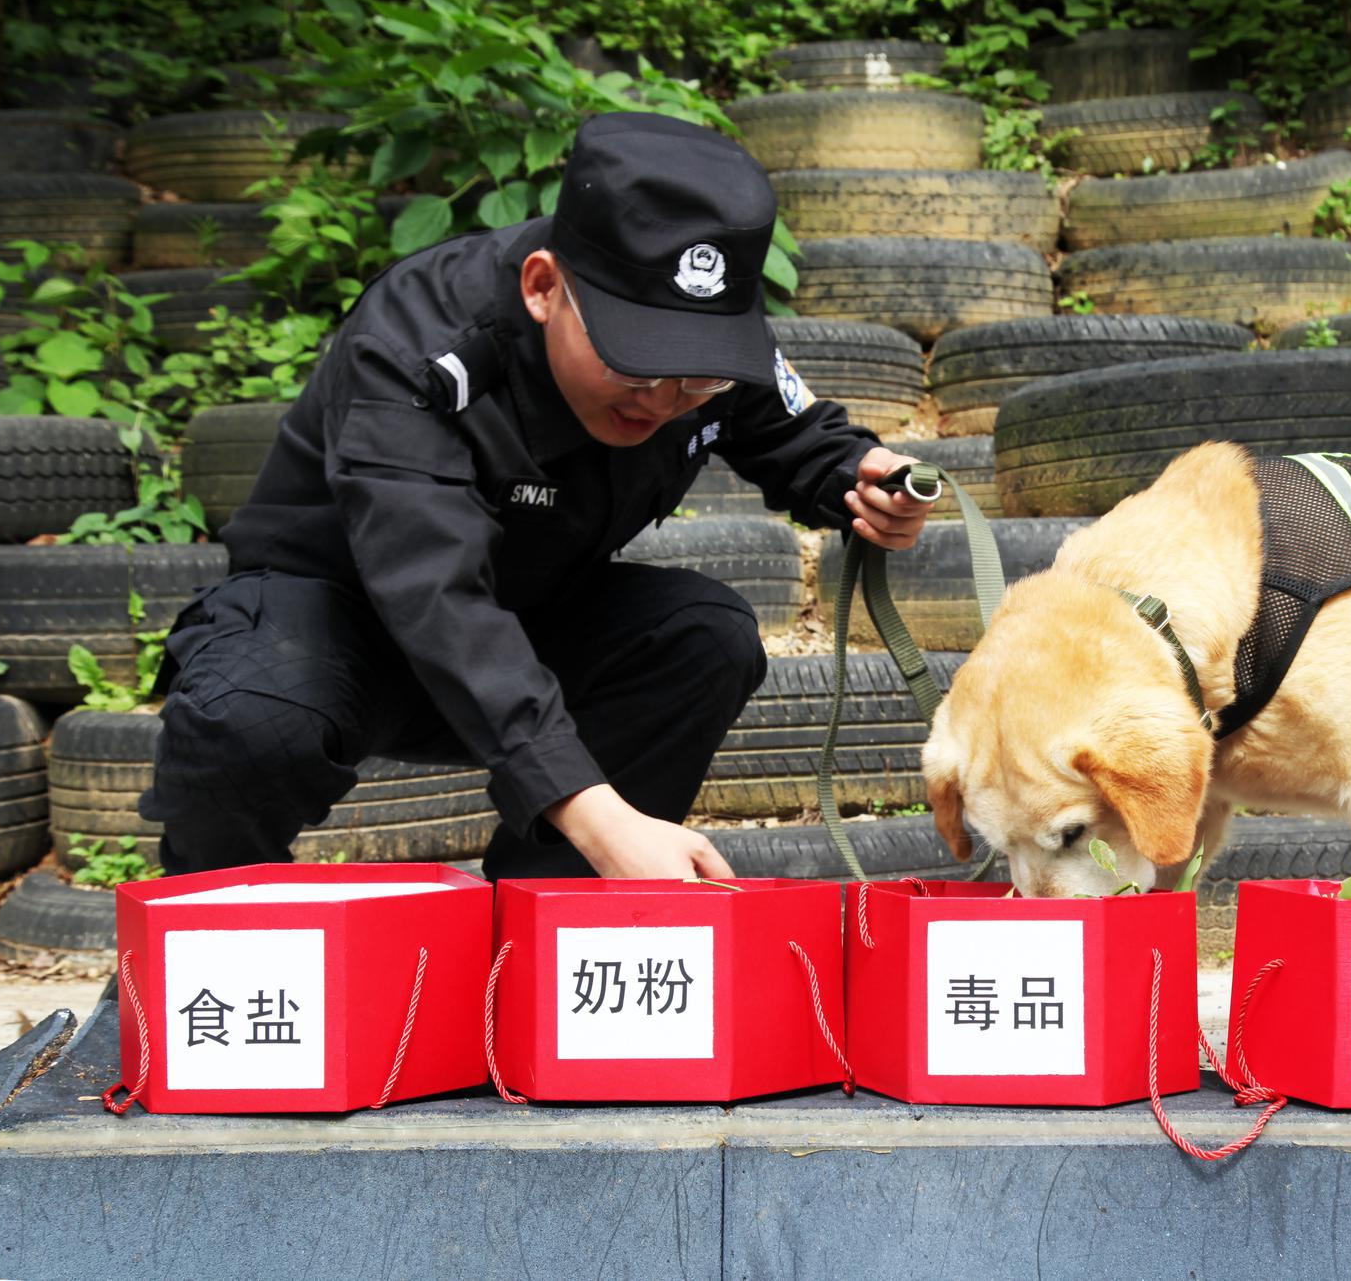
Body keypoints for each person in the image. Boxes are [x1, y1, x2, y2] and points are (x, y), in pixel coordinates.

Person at [138, 112, 930, 881]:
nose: (662, 398)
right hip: (341, 627)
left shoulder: (705, 353)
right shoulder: (418, 342)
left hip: (532, 622)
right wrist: (600, 814)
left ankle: (541, 944)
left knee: (702, 635)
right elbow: (435, 593)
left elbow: (792, 433)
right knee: (253, 713)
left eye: (699, 373)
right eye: (637, 364)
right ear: (544, 287)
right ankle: (188, 967)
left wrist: (861, 480)